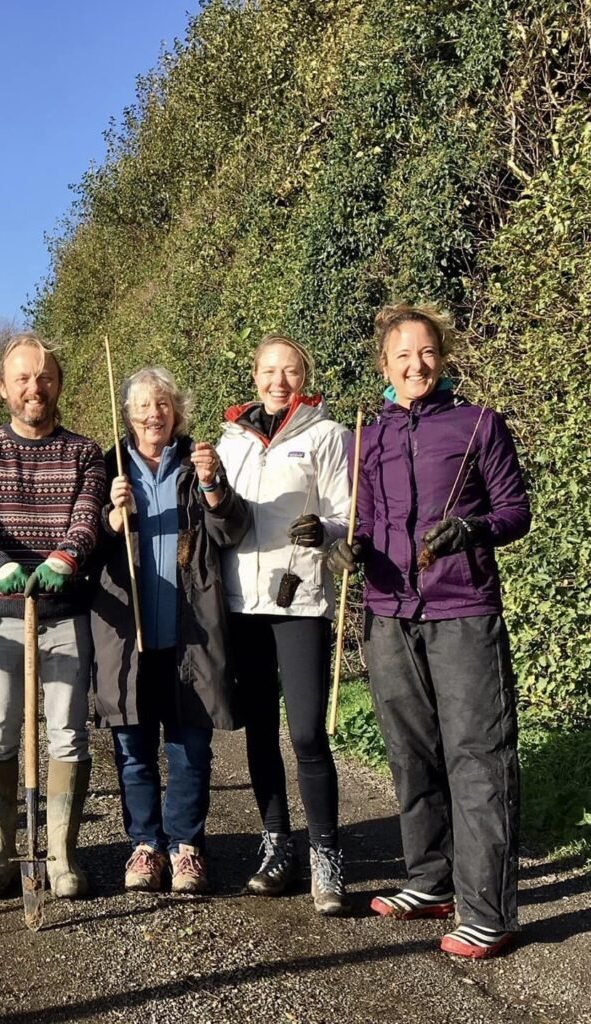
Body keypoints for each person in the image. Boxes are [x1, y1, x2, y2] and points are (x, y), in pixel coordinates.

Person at [328, 303, 530, 958]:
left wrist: (473, 529)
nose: (417, 364)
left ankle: (489, 910)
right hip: (388, 613)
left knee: (477, 755)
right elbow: (362, 521)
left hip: (463, 608)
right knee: (410, 752)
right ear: (384, 367)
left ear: (441, 358)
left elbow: (513, 510)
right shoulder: (370, 436)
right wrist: (350, 549)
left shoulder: (479, 425)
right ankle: (430, 879)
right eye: (402, 356)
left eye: (427, 353)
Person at [0, 332, 105, 899]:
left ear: (58, 385)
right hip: (2, 613)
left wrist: (64, 558)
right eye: (22, 378)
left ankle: (61, 856)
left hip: (65, 613)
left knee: (66, 734)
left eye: (43, 377)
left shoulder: (84, 452)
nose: (34, 387)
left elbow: (87, 519)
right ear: (3, 388)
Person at [91, 367, 249, 894]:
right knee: (133, 746)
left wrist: (213, 486)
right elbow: (82, 544)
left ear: (176, 413)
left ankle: (185, 847)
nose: (152, 414)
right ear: (129, 415)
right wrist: (112, 520)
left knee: (190, 748)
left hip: (191, 634)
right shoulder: (106, 470)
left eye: (162, 405)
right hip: (126, 637)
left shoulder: (197, 465)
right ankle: (144, 844)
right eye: (142, 406)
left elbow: (232, 530)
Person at [216, 334, 352, 915]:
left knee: (305, 733)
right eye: (269, 371)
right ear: (254, 376)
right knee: (259, 732)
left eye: (290, 371)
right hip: (242, 602)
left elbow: (350, 514)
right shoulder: (228, 441)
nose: (279, 381)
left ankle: (327, 854)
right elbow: (218, 514)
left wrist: (326, 530)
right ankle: (278, 845)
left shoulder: (327, 434)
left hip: (299, 600)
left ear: (305, 375)